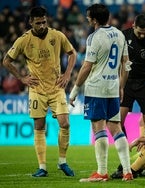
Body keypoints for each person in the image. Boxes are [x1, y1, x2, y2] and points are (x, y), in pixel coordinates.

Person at [2, 6, 76, 177]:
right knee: (39, 126)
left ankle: (62, 162)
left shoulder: (57, 35)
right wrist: (22, 78)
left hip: (56, 87)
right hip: (37, 90)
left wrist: (67, 74)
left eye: (44, 22)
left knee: (65, 123)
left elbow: (72, 53)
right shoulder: (23, 40)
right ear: (31, 22)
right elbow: (6, 61)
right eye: (38, 23)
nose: (42, 26)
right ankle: (42, 167)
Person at [69, 4, 133, 182]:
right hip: (113, 87)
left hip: (96, 87)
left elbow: (87, 66)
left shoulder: (94, 37)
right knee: (116, 127)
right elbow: (126, 64)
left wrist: (74, 90)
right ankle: (127, 171)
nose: (87, 19)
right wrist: (121, 86)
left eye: (89, 17)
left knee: (98, 127)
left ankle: (102, 172)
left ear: (95, 19)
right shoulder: (120, 34)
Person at [111, 14, 145, 178]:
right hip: (127, 82)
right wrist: (118, 84)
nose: (142, 35)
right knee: (118, 121)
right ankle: (125, 163)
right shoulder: (123, 36)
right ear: (133, 26)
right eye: (139, 32)